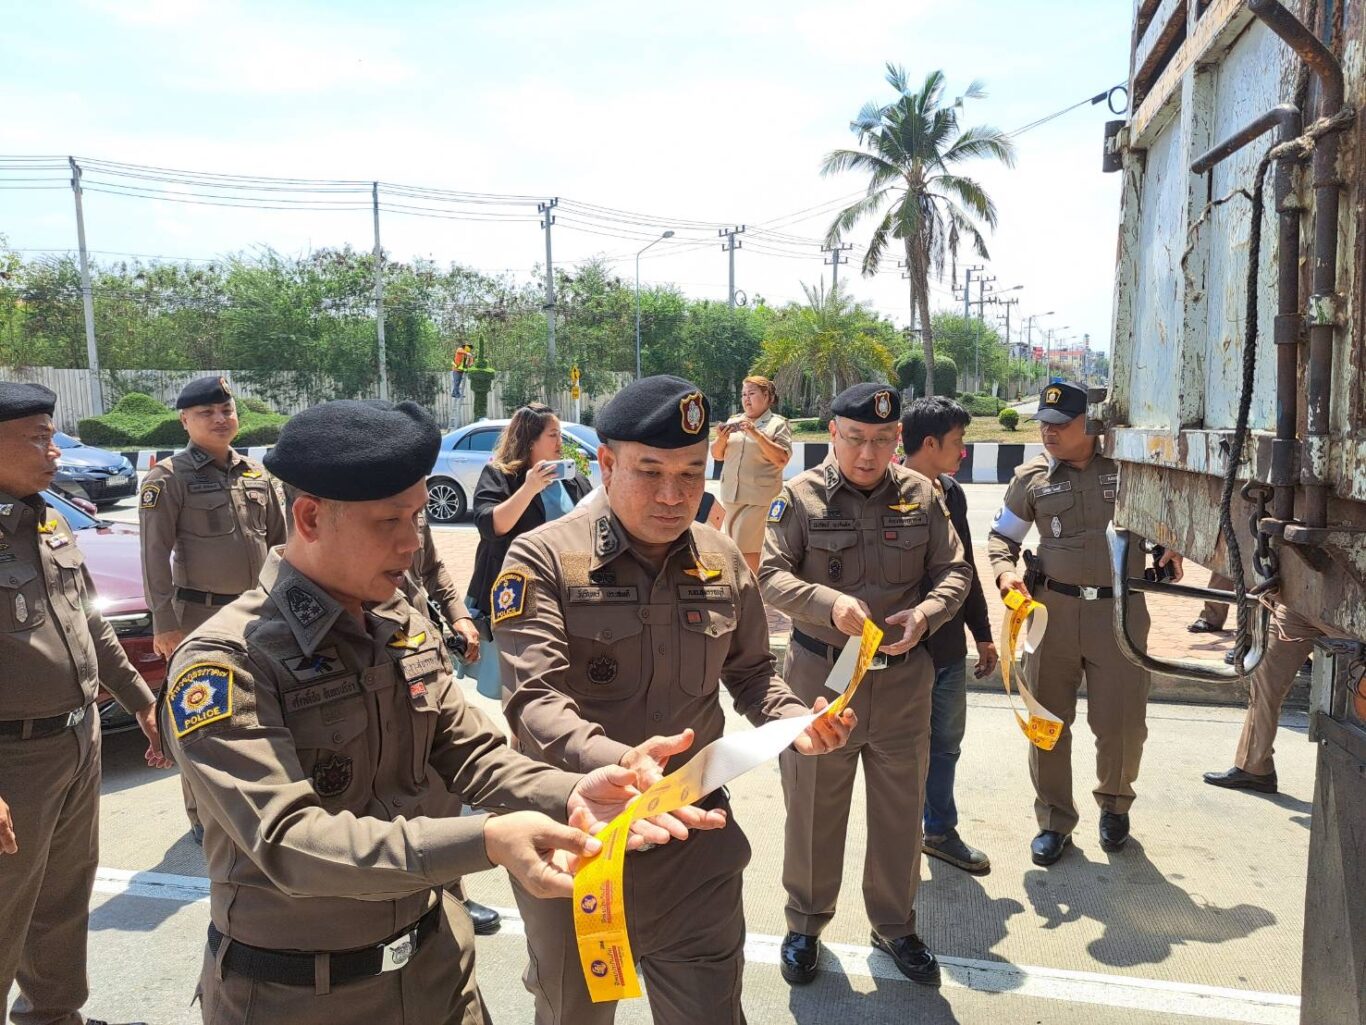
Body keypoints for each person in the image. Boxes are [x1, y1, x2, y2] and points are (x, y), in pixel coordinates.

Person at [162, 397, 721, 1025]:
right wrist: (486, 840)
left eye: (419, 516)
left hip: (438, 973)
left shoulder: (397, 619)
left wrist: (574, 791)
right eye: (389, 522)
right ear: (311, 517)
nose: (412, 543)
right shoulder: (227, 662)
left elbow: (470, 752)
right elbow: (290, 841)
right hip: (298, 995)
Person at [493, 374, 854, 1025]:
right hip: (581, 848)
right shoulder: (542, 558)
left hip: (694, 850)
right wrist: (620, 761)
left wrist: (792, 717)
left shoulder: (721, 558)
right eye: (650, 472)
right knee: (574, 1014)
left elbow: (752, 673)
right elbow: (534, 701)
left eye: (691, 473)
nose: (673, 494)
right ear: (606, 464)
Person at [762, 383, 972, 987]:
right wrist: (827, 604)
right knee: (812, 807)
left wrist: (927, 614)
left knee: (900, 812)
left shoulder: (921, 494)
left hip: (902, 681)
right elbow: (770, 575)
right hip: (822, 679)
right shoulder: (799, 497)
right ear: (833, 433)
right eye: (855, 438)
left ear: (897, 438)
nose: (867, 453)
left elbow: (954, 570)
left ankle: (895, 925)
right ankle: (805, 924)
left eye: (882, 440)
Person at [0, 381, 170, 1025]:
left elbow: (89, 623)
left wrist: (141, 700)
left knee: (62, 899)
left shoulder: (46, 517)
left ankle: (52, 1016)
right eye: (37, 439)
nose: (54, 452)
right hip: (12, 761)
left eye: (52, 436)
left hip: (77, 739)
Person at [987, 381, 1183, 866]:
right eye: (1043, 424)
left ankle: (1115, 806)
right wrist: (1006, 573)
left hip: (1120, 613)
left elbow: (1169, 523)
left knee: (1122, 725)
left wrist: (1171, 547)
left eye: (1060, 424)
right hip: (1051, 614)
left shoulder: (1128, 471)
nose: (1048, 433)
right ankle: (1054, 822)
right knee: (1046, 722)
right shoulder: (1031, 478)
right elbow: (1002, 539)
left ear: (1089, 424)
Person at [139, 375, 286, 843]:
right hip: (199, 617)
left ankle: (260, 799)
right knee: (202, 716)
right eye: (207, 413)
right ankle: (202, 815)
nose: (220, 419)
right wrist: (164, 624)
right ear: (185, 420)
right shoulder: (168, 478)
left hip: (260, 615)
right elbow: (153, 556)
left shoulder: (257, 474)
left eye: (227, 410)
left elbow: (282, 546)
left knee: (262, 710)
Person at [901, 396, 998, 874]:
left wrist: (982, 633)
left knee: (945, 744)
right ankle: (898, 843)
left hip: (947, 648)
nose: (963, 451)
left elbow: (966, 568)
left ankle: (938, 831)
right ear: (929, 443)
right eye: (957, 442)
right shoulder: (884, 492)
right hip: (900, 653)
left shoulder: (952, 493)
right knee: (899, 751)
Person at [400, 512, 501, 935]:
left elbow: (432, 566)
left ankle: (450, 895)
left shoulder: (412, 497)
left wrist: (458, 615)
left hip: (420, 648)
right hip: (369, 649)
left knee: (441, 781)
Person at [466, 403, 591, 700]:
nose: (561, 442)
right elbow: (490, 525)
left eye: (560, 435)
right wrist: (530, 488)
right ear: (531, 440)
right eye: (553, 435)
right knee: (520, 678)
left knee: (562, 677)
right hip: (520, 595)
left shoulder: (572, 478)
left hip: (568, 594)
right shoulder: (501, 475)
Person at [1203, 599, 1347, 793]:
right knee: (1265, 676)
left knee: (1353, 695)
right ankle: (1254, 767)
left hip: (1350, 604)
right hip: (1302, 604)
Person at [711, 375, 792, 574]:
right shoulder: (734, 421)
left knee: (747, 552)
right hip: (731, 496)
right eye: (743, 394)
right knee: (734, 548)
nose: (746, 399)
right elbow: (717, 455)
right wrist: (721, 438)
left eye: (752, 394)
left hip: (758, 499)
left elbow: (781, 459)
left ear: (767, 397)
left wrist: (756, 433)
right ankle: (747, 587)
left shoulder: (777, 424)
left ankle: (750, 589)